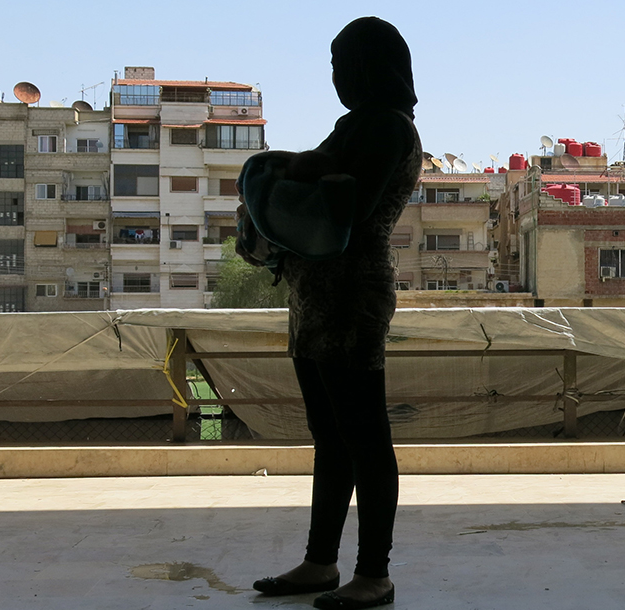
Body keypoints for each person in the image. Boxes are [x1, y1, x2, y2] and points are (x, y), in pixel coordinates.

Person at [244, 17, 422, 610]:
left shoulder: (387, 127)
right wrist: (297, 170)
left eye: (342, 63)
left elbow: (345, 194)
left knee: (365, 437)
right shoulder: (356, 124)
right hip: (316, 294)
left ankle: (374, 574)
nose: (336, 75)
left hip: (352, 296)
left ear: (370, 67)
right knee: (331, 438)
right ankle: (320, 563)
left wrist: (287, 171)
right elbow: (316, 171)